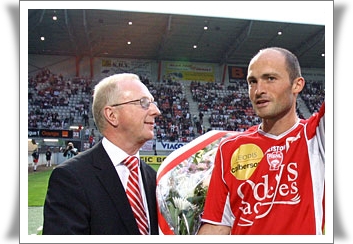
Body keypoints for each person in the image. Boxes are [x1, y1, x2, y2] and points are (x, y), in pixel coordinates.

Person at [197, 47, 325, 235]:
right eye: (252, 82)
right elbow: (217, 225)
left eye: (270, 79)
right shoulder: (230, 149)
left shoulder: (316, 136)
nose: (259, 90)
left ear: (297, 85)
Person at [43, 73, 161, 235]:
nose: (156, 111)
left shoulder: (153, 178)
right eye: (144, 103)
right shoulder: (71, 178)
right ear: (112, 115)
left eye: (153, 103)